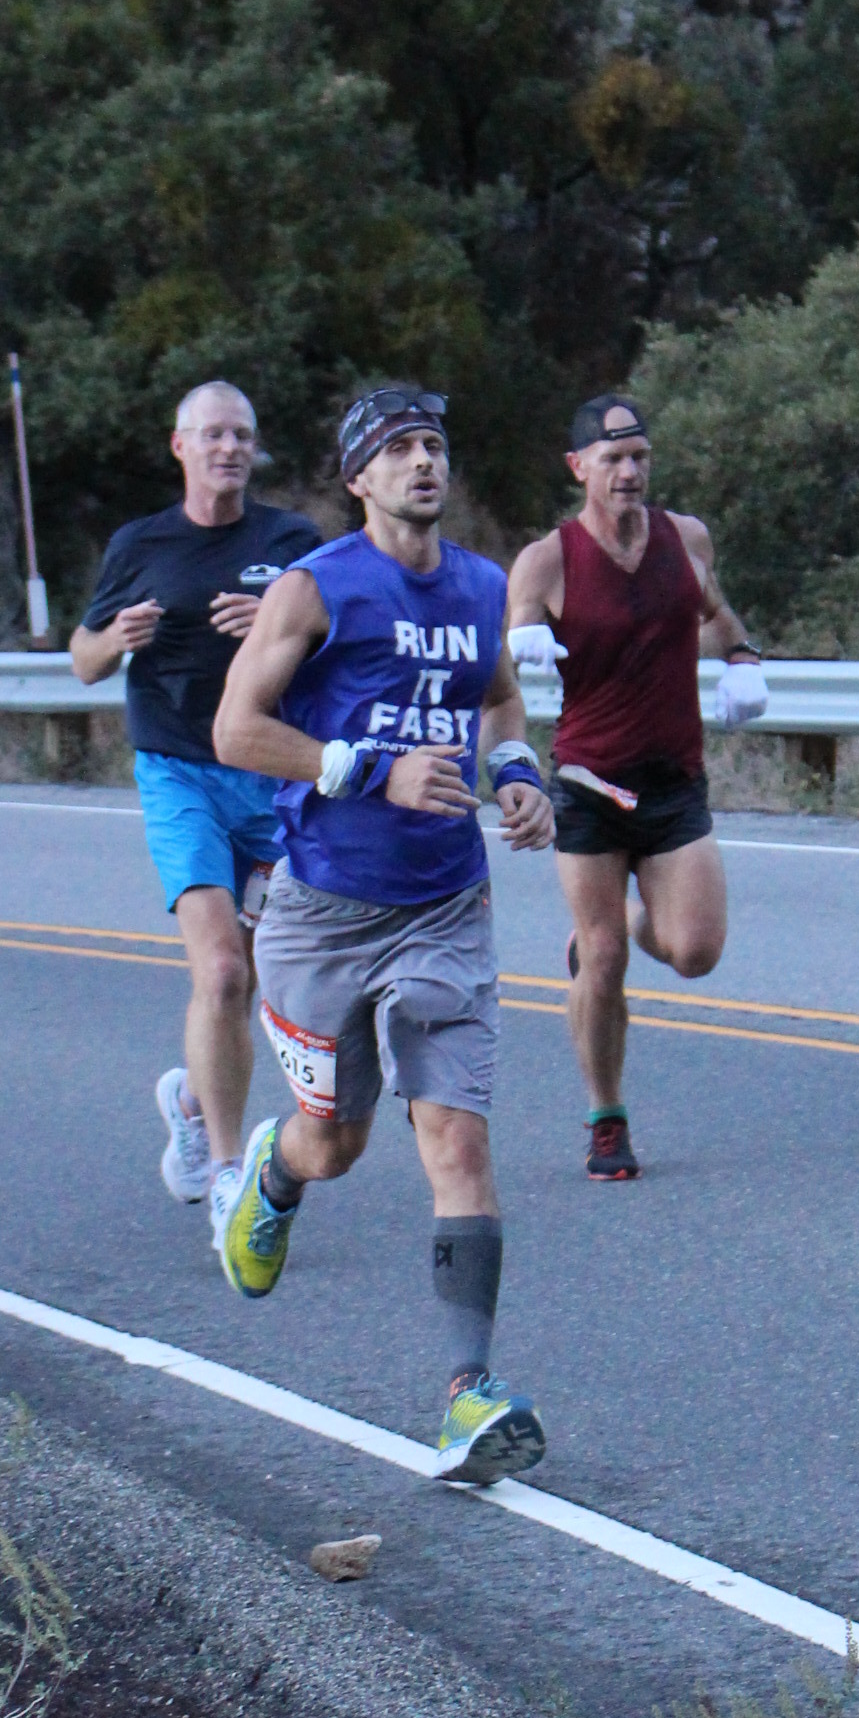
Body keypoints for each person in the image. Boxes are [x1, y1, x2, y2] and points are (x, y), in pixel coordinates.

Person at [211, 382, 557, 1484]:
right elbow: (235, 729)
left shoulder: (480, 587)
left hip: (446, 904)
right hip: (322, 912)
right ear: (359, 476)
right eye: (399, 447)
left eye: (433, 444)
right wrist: (367, 769)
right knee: (336, 1143)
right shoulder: (317, 588)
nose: (423, 462)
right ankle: (274, 1178)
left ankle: (468, 1394)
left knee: (456, 1138)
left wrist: (516, 772)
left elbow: (497, 699)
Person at [70, 380, 319, 1216]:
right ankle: (225, 1173)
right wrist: (116, 637)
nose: (228, 449)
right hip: (179, 771)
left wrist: (279, 625)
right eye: (212, 434)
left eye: (241, 435)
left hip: (271, 777)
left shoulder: (291, 541)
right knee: (219, 972)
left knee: (253, 979)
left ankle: (188, 1101)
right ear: (180, 446)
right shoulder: (141, 544)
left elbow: (336, 641)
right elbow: (83, 660)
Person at [505, 390, 766, 1179]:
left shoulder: (685, 538)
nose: (629, 472)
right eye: (613, 458)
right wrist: (526, 638)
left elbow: (714, 613)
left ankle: (612, 921)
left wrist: (743, 658)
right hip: (589, 782)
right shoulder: (549, 558)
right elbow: (513, 633)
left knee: (695, 951)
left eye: (640, 457)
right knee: (605, 959)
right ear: (578, 467)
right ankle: (606, 1117)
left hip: (673, 780)